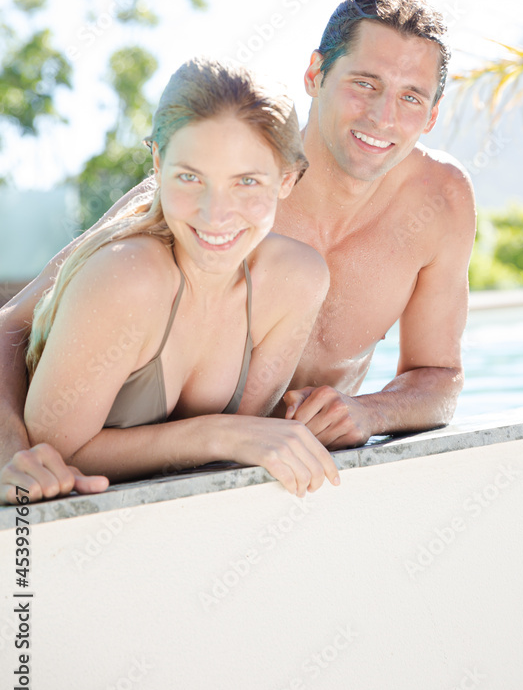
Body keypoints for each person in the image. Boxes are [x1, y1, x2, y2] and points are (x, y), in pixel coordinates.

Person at [0, 0, 476, 503]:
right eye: (365, 83)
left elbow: (441, 378)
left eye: (411, 97)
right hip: (143, 461)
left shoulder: (442, 201)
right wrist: (11, 448)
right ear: (315, 74)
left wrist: (368, 412)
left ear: (432, 114)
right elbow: (14, 324)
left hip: (284, 477)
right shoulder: (216, 198)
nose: (383, 117)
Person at [8, 57, 339, 500]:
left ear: (287, 179)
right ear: (158, 163)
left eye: (246, 182)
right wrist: (215, 434)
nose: (215, 214)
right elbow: (54, 456)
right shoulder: (129, 276)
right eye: (189, 177)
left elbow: (242, 447)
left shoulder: (297, 282)